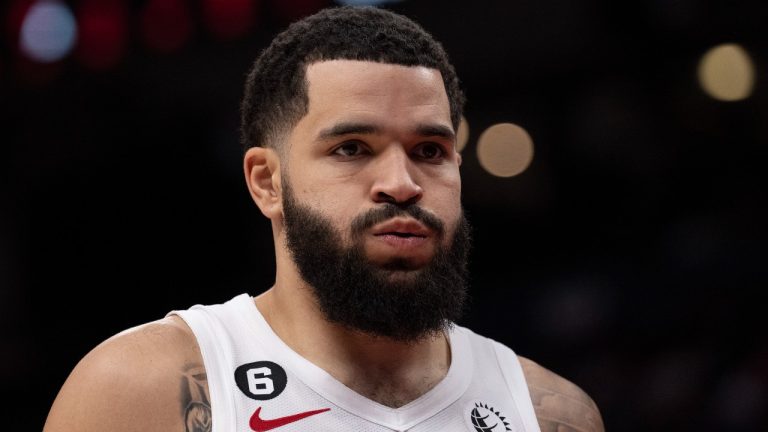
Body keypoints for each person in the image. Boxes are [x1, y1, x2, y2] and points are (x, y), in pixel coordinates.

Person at [44, 6, 604, 432]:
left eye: (429, 150)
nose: (403, 183)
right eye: (353, 148)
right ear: (267, 181)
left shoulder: (551, 413)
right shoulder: (139, 391)